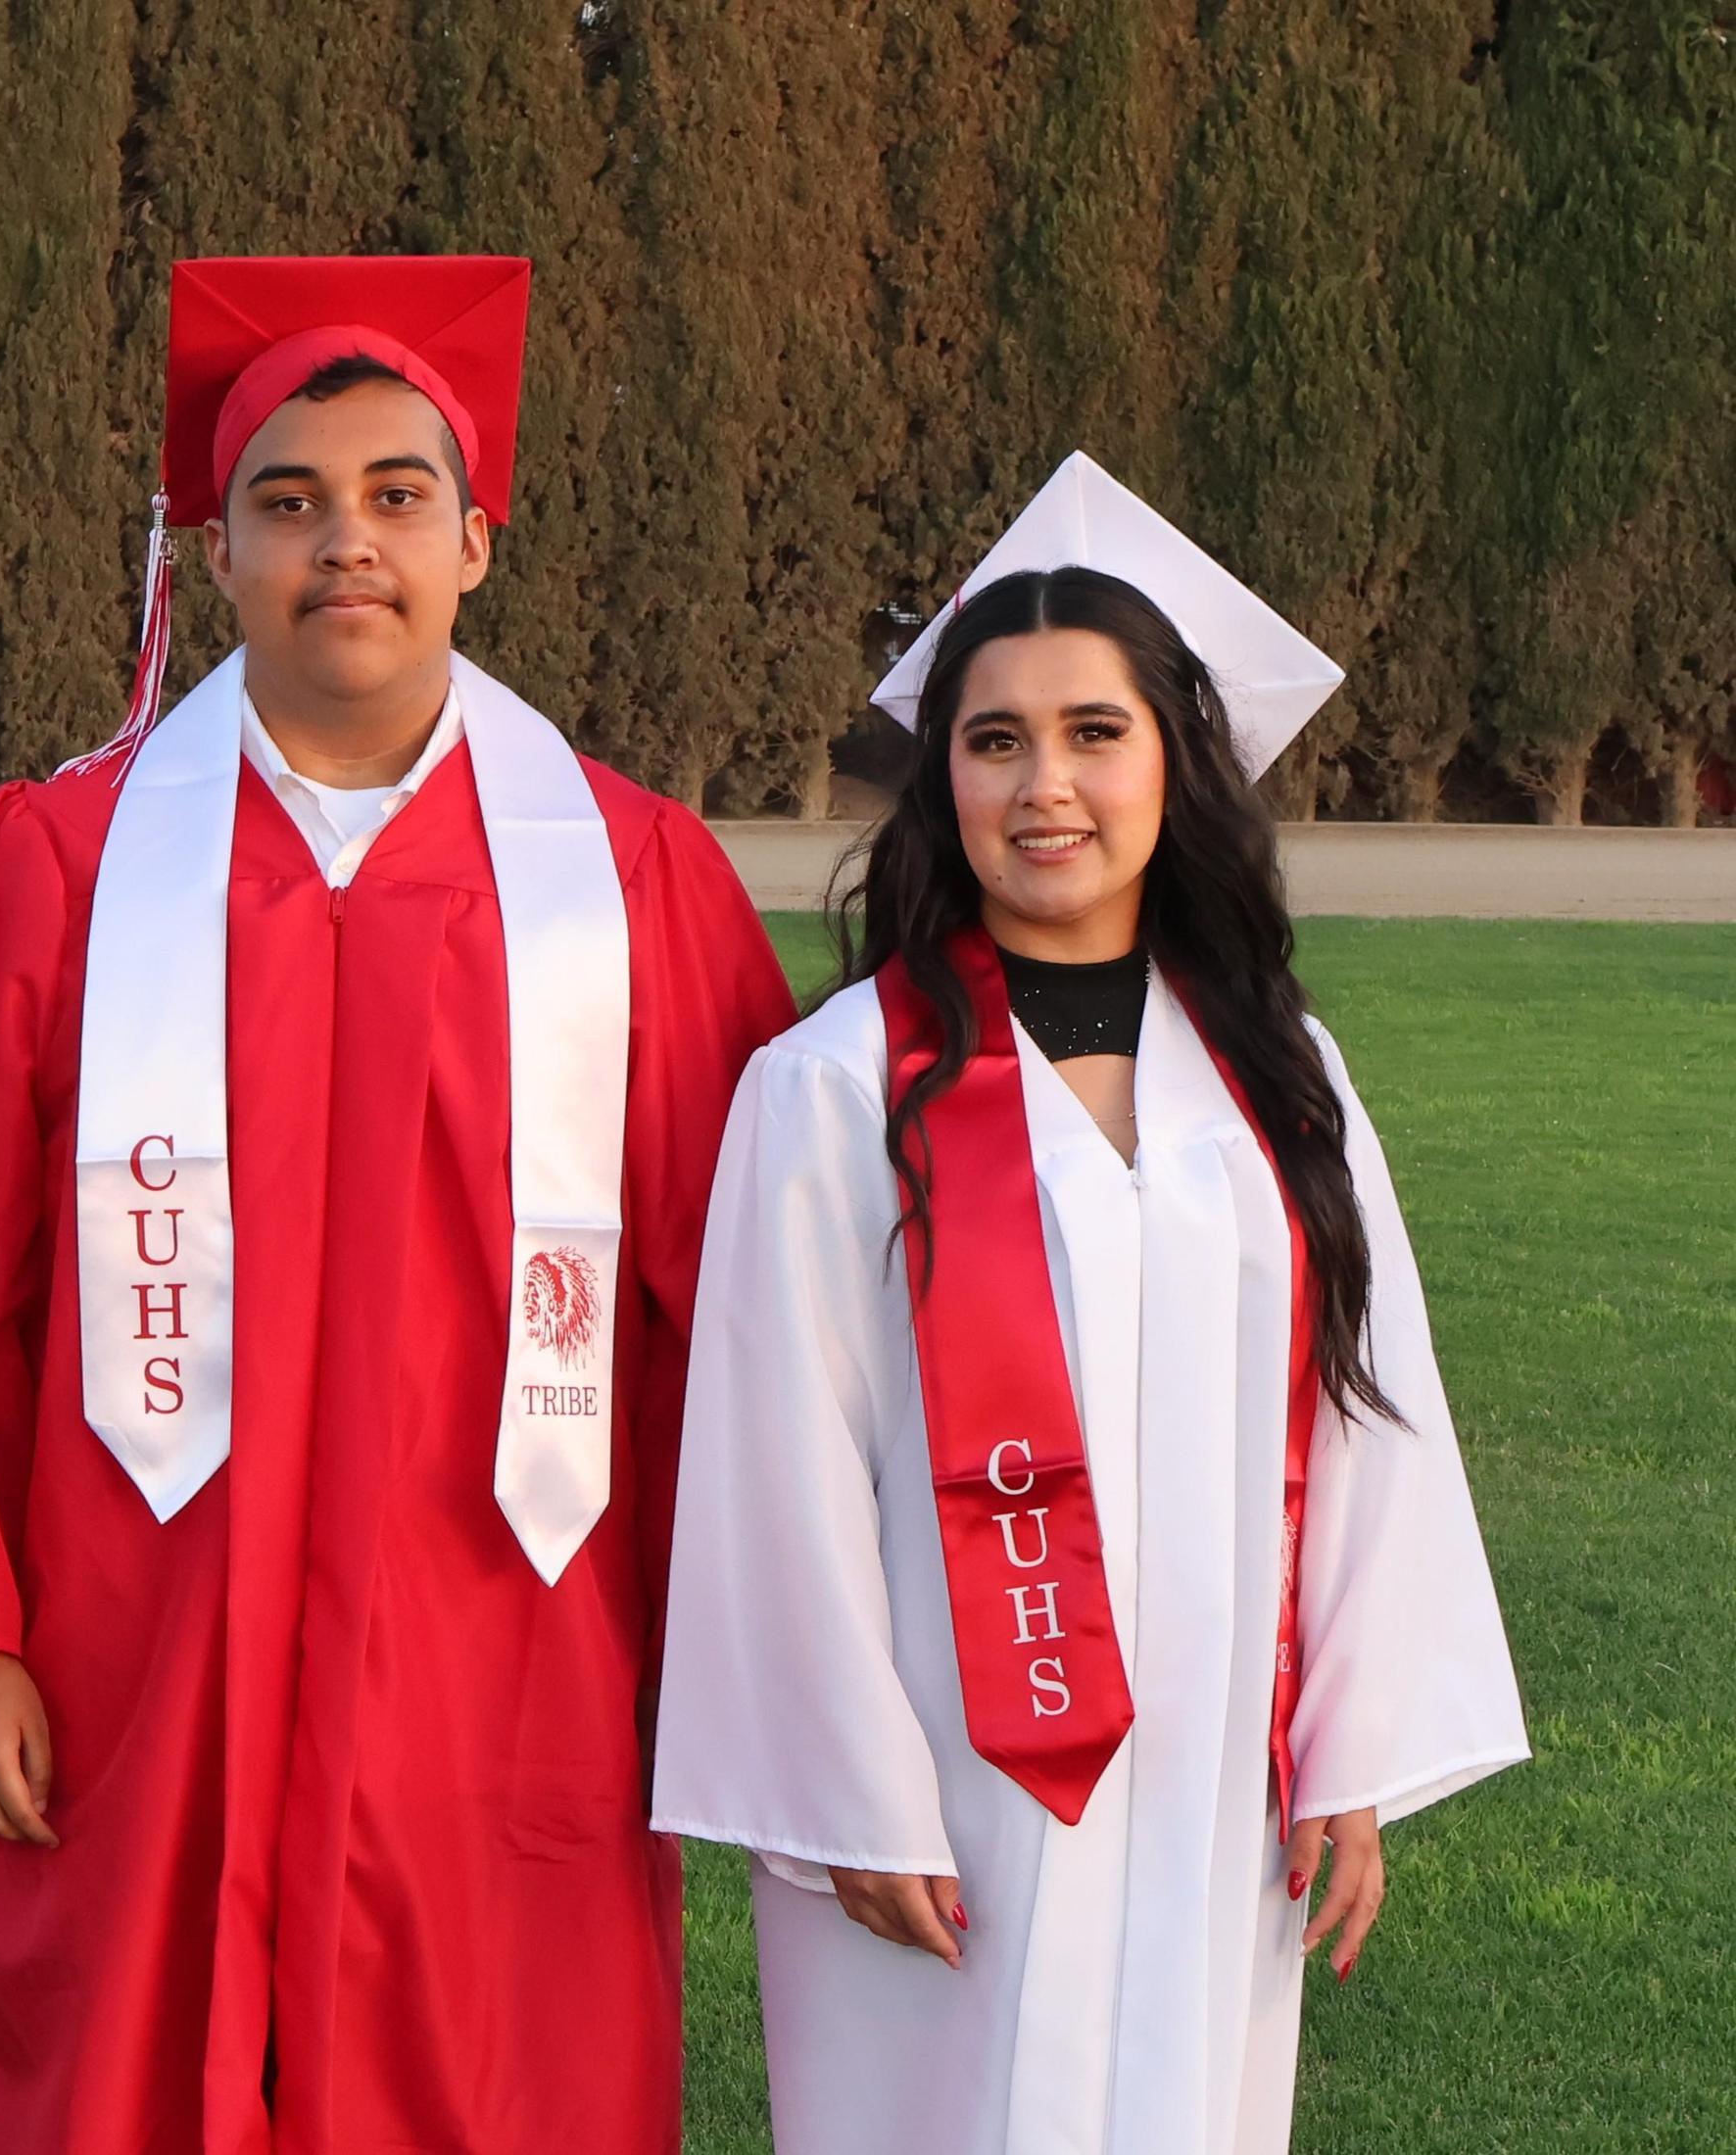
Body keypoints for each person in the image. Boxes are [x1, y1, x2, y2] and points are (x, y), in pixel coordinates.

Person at [0, 254, 795, 2155]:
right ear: (215, 551)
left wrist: (735, 1645)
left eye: (396, 495)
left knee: (500, 2068)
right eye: (289, 502)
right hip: (141, 1629)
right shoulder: (60, 867)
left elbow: (750, 1309)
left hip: (514, 1631)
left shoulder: (634, 882)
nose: (346, 543)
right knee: (134, 2067)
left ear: (475, 541)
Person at [652, 453, 1529, 2155]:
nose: (1044, 784)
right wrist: (849, 1790)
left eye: (1093, 731)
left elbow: (1369, 1406)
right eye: (995, 740)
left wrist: (1350, 1747)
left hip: (1217, 1765)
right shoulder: (836, 1089)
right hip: (947, 1779)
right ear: (944, 781)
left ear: (1175, 760)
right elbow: (774, 1461)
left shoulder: (1281, 1075)